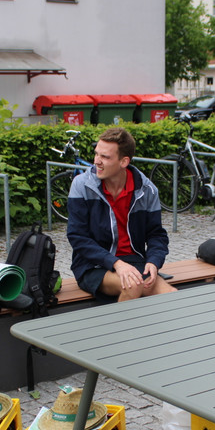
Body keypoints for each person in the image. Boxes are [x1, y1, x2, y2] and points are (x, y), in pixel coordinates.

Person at [67, 127, 176, 302]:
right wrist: (116, 263)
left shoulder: (147, 190)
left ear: (124, 161)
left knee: (172, 296)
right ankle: (116, 322)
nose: (97, 161)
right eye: (96, 154)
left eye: (105, 157)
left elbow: (156, 234)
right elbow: (77, 237)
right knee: (132, 285)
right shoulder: (82, 185)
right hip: (93, 265)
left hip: (134, 261)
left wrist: (154, 261)